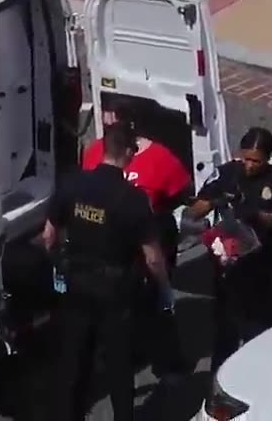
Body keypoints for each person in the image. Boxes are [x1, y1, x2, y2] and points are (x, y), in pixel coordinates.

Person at [31, 123, 170, 421]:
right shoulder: (133, 200)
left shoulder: (71, 184)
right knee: (119, 366)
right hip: (116, 292)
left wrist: (60, 265)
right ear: (130, 153)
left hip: (76, 285)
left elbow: (49, 236)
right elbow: (153, 257)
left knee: (74, 362)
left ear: (104, 149)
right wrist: (164, 288)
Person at [81, 98, 190, 378]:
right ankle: (125, 355)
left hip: (151, 240)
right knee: (118, 311)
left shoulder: (161, 158)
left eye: (111, 119)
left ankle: (167, 364)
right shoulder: (95, 153)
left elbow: (181, 194)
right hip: (115, 250)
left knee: (158, 306)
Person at [185, 127, 272, 369]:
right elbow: (194, 210)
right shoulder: (225, 174)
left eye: (257, 160)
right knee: (226, 329)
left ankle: (263, 373)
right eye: (247, 158)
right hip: (229, 266)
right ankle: (220, 376)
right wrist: (215, 200)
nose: (250, 165)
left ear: (268, 158)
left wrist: (257, 215)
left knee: (260, 328)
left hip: (262, 265)